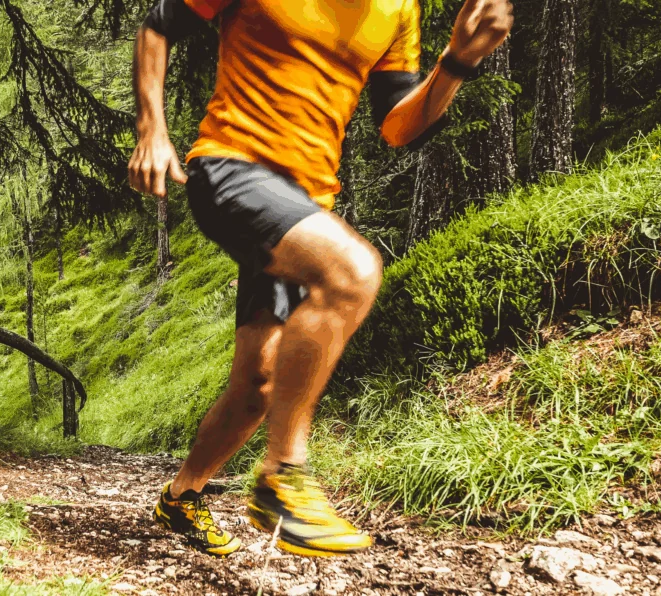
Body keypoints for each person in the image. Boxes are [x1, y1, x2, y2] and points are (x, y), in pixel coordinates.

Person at [129, 0, 513, 557]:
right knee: (351, 272)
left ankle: (180, 496)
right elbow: (157, 26)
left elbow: (397, 126)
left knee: (257, 387)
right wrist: (153, 130)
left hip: (303, 201)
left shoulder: (399, 7)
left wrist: (454, 63)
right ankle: (284, 475)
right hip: (229, 168)